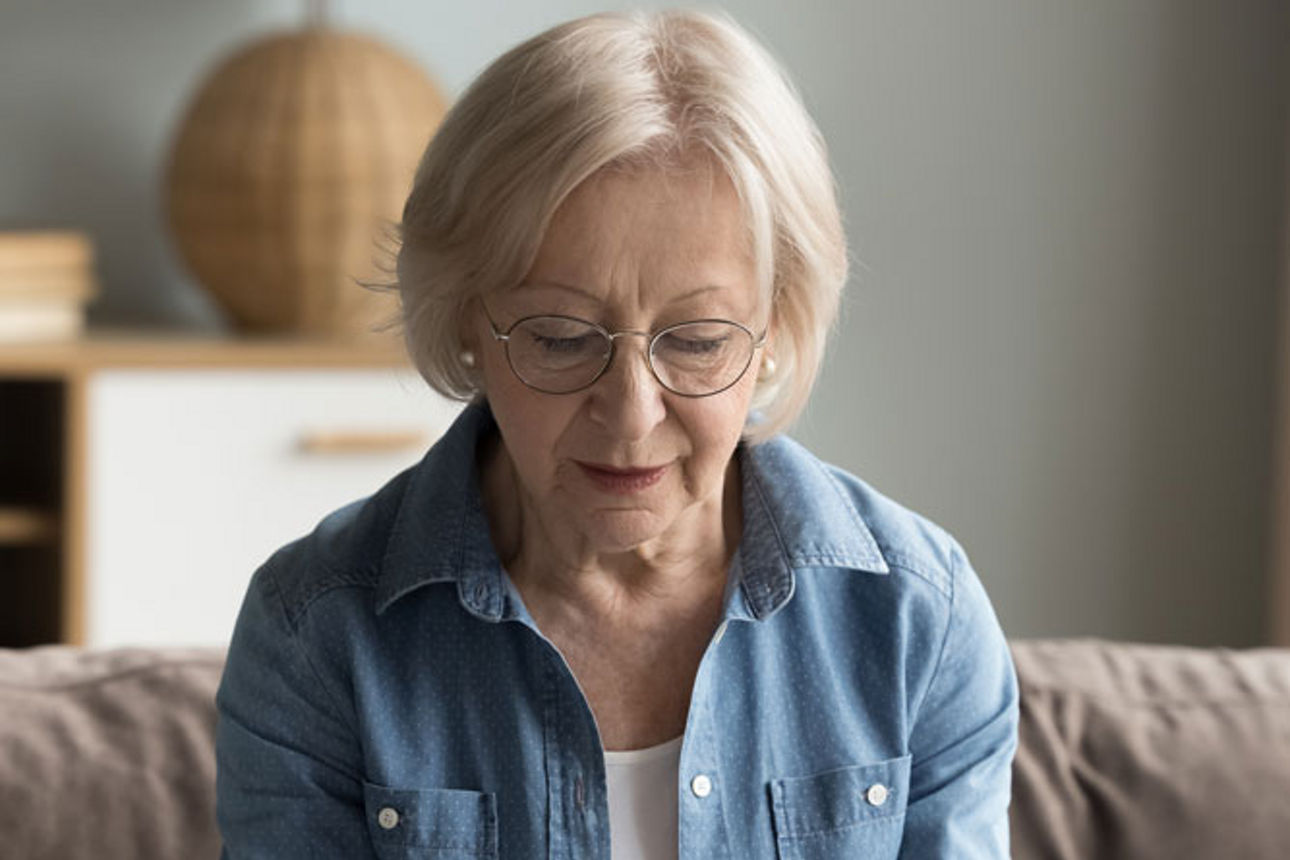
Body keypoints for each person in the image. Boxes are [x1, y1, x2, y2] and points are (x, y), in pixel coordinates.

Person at [215, 9, 1018, 859]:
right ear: (464, 325)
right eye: (560, 339)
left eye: (700, 341)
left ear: (775, 327)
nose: (631, 414)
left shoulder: (916, 620)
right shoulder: (316, 635)